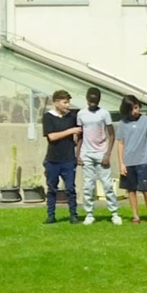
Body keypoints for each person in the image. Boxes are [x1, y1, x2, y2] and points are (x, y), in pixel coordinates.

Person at [76, 87, 121, 225]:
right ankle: (89, 214)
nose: (92, 103)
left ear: (99, 100)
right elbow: (80, 135)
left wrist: (108, 153)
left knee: (107, 185)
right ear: (87, 98)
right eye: (90, 100)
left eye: (95, 101)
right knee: (88, 186)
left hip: (101, 153)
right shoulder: (81, 114)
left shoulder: (104, 113)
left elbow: (112, 134)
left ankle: (114, 213)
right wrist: (77, 154)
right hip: (86, 153)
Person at [117, 95, 147, 224]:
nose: (136, 111)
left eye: (136, 107)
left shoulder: (146, 121)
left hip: (143, 161)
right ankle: (135, 215)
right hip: (128, 162)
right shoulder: (123, 123)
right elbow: (120, 143)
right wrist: (121, 163)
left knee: (145, 189)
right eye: (132, 109)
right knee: (131, 189)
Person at [42, 90, 81, 224]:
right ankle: (51, 215)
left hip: (68, 159)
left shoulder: (72, 117)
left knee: (70, 188)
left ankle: (73, 215)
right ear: (56, 102)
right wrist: (70, 131)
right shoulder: (48, 117)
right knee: (52, 188)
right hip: (53, 159)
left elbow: (80, 132)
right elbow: (52, 137)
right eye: (65, 102)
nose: (68, 105)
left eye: (68, 102)